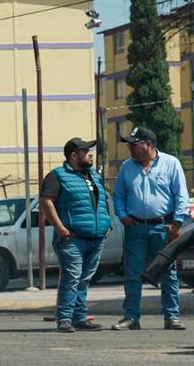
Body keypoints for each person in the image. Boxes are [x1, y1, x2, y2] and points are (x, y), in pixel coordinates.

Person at [112, 125, 189, 331]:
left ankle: (171, 317)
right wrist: (123, 215)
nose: (131, 148)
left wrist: (178, 222)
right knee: (132, 273)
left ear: (149, 145)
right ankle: (131, 317)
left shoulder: (171, 164)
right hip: (135, 228)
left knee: (168, 273)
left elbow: (181, 196)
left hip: (164, 227)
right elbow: (118, 195)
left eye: (135, 144)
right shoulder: (126, 167)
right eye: (130, 145)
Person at [40, 137, 112, 333]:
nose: (91, 154)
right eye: (86, 151)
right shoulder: (57, 176)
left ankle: (80, 317)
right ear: (74, 155)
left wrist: (108, 224)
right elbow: (46, 202)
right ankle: (64, 319)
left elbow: (103, 200)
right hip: (72, 239)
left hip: (95, 238)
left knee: (84, 279)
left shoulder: (94, 176)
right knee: (72, 278)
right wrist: (60, 228)